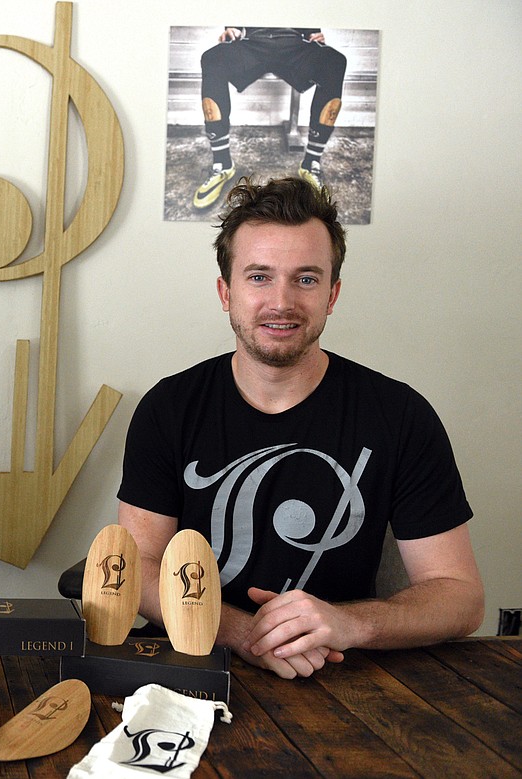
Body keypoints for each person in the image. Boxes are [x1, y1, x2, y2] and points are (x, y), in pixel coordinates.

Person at [118, 177, 483, 679]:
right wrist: (246, 634)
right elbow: (137, 568)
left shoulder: (400, 416)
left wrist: (349, 624)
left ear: (332, 294)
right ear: (226, 292)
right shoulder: (169, 407)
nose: (282, 301)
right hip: (190, 661)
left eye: (306, 279)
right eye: (259, 277)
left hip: (340, 672)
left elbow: (460, 596)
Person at [193, 27, 347, 209]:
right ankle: (222, 163)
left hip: (294, 45)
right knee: (212, 58)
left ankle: (311, 163)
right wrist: (232, 28)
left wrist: (313, 32)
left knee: (335, 61)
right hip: (253, 43)